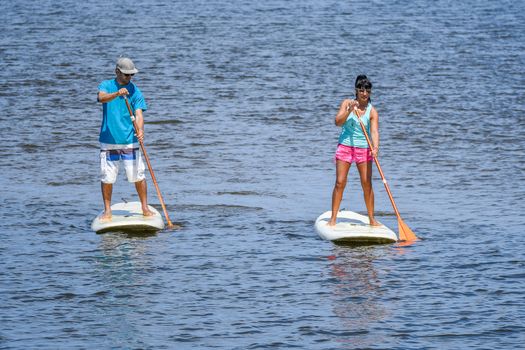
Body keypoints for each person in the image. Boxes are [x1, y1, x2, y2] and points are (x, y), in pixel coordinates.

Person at [97, 57, 153, 220]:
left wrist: (141, 130)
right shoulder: (106, 85)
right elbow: (101, 98)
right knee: (107, 177)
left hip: (130, 140)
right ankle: (107, 210)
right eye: (126, 75)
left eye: (131, 75)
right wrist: (116, 93)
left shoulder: (135, 91)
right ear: (117, 72)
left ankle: (144, 207)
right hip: (108, 140)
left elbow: (139, 114)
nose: (129, 78)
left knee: (137, 175)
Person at [328, 75, 380, 227]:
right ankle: (333, 219)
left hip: (364, 149)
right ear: (356, 91)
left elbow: (375, 132)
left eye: (367, 91)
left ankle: (371, 219)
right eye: (361, 90)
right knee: (339, 182)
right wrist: (349, 110)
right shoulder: (347, 103)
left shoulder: (372, 111)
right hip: (345, 147)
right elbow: (337, 122)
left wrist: (375, 147)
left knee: (367, 184)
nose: (364, 93)